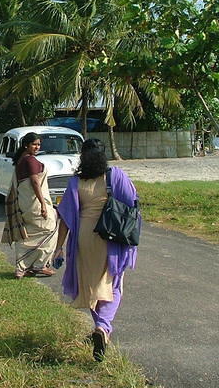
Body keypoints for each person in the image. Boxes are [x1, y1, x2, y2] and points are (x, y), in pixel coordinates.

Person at [54, 139, 139, 362]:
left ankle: (100, 328)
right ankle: (102, 327)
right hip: (110, 238)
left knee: (90, 285)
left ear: (82, 156)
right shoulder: (115, 176)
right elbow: (132, 205)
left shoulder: (75, 182)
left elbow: (64, 217)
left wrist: (59, 248)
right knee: (114, 284)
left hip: (83, 238)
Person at [2, 132, 57, 278]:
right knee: (50, 228)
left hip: (25, 203)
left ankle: (22, 267)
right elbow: (34, 182)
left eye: (39, 144)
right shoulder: (30, 161)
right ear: (26, 145)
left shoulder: (21, 159)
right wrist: (43, 205)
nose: (37, 147)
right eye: (34, 144)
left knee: (28, 233)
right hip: (34, 203)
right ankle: (39, 265)